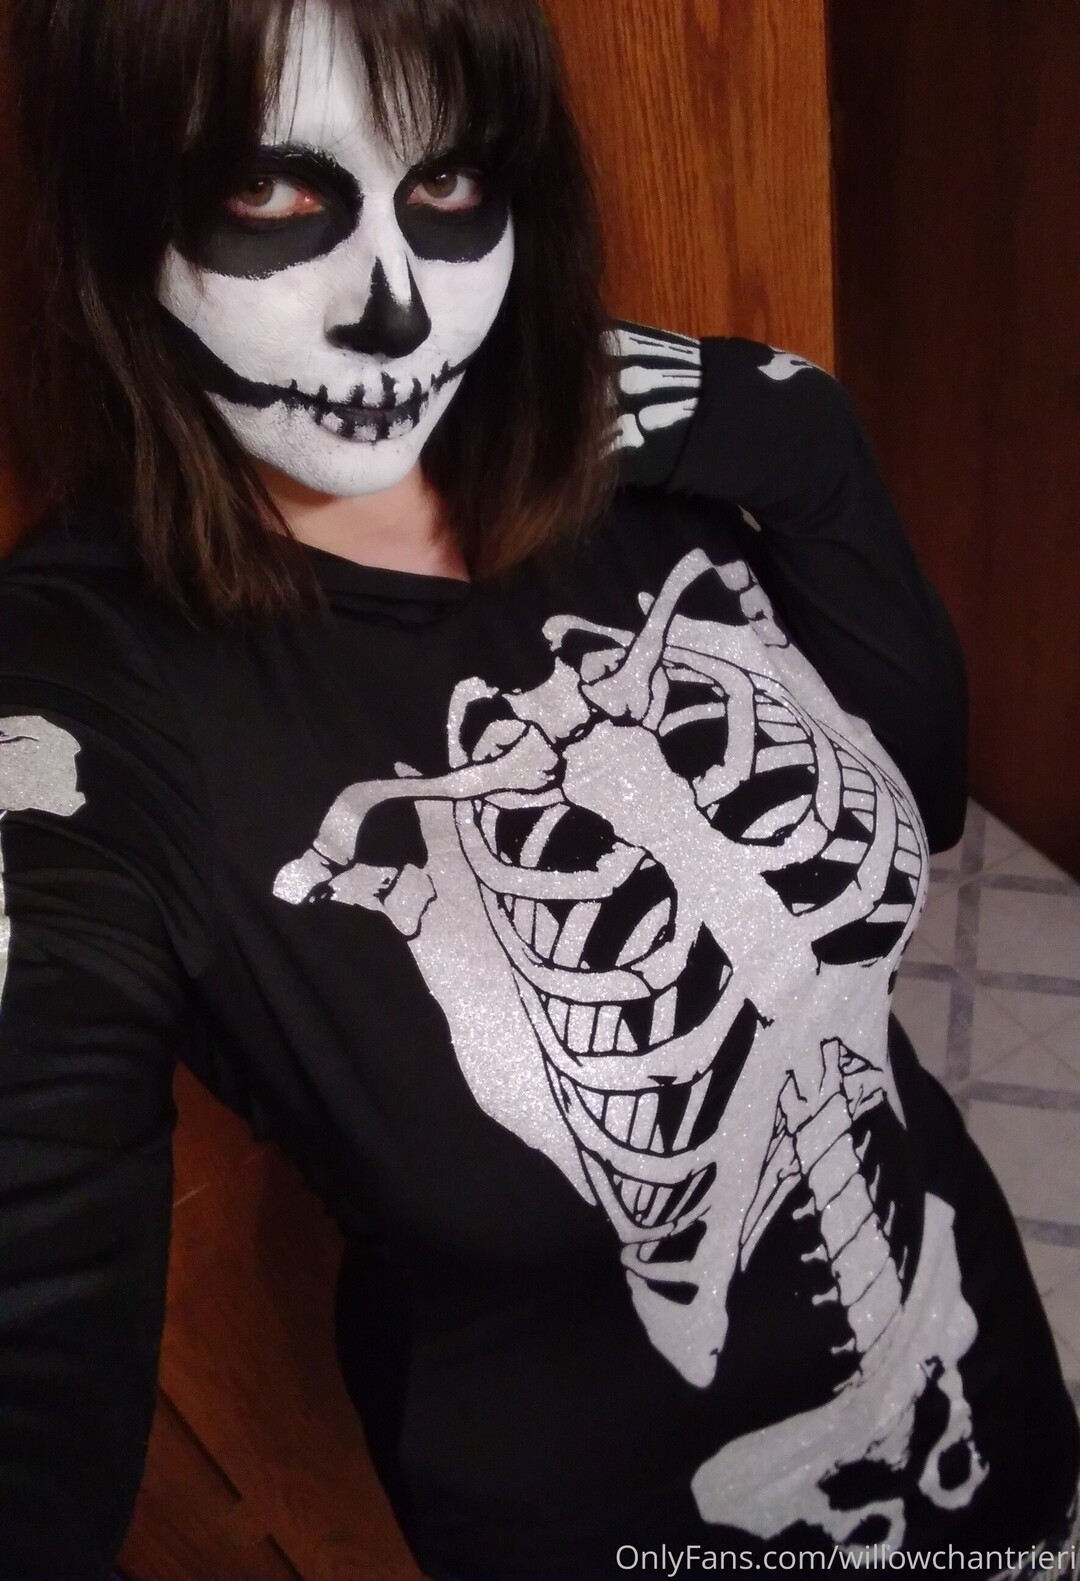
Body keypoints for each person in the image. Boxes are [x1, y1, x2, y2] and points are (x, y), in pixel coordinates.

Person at [0, 0, 1077, 1575]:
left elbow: (915, 808)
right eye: (269, 190)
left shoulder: (632, 458)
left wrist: (805, 438)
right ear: (111, 199)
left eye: (447, 180)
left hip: (985, 1373)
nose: (396, 317)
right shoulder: (81, 692)